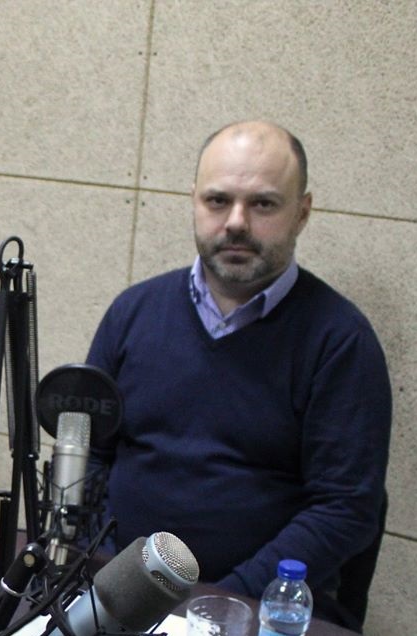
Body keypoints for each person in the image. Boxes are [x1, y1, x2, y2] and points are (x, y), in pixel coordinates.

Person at [86, 120, 391, 627]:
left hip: (253, 612)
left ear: (302, 212)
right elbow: (89, 456)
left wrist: (214, 605)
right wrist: (110, 576)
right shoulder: (132, 312)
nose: (236, 222)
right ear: (194, 201)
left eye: (263, 204)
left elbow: (344, 510)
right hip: (116, 597)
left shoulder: (340, 341)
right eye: (217, 200)